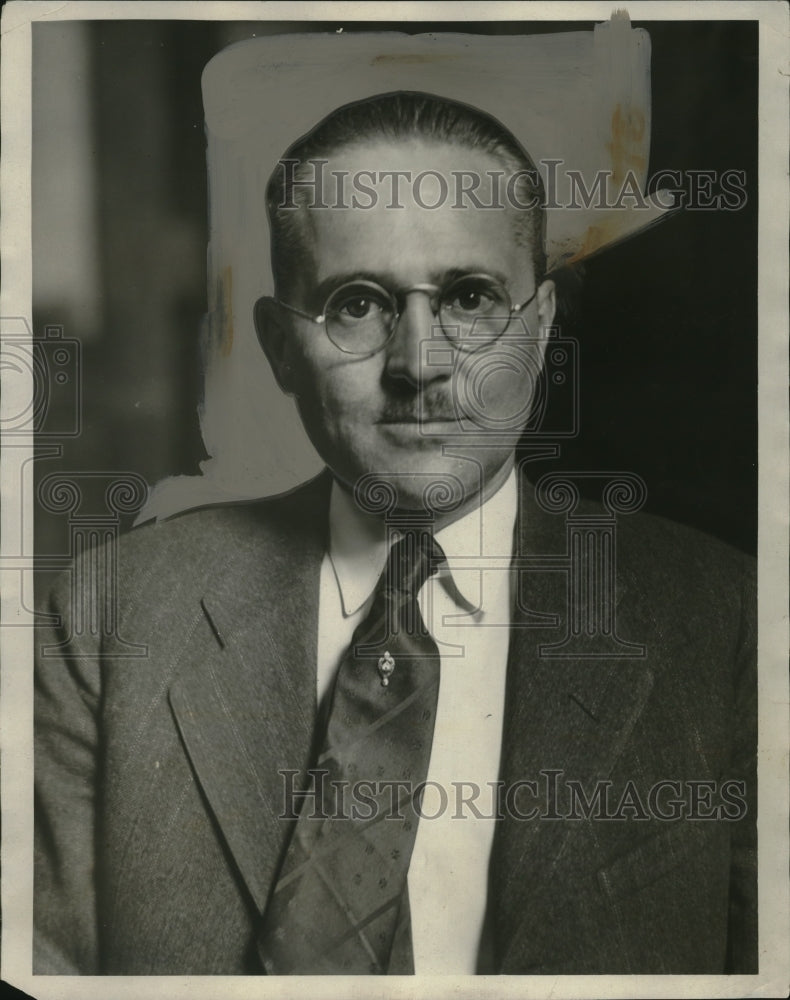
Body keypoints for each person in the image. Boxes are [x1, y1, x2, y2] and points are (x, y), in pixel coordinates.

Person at [34, 91, 757, 976]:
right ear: (276, 346)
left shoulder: (729, 625)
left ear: (540, 325)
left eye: (471, 297)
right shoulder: (111, 619)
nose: (420, 363)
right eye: (358, 304)